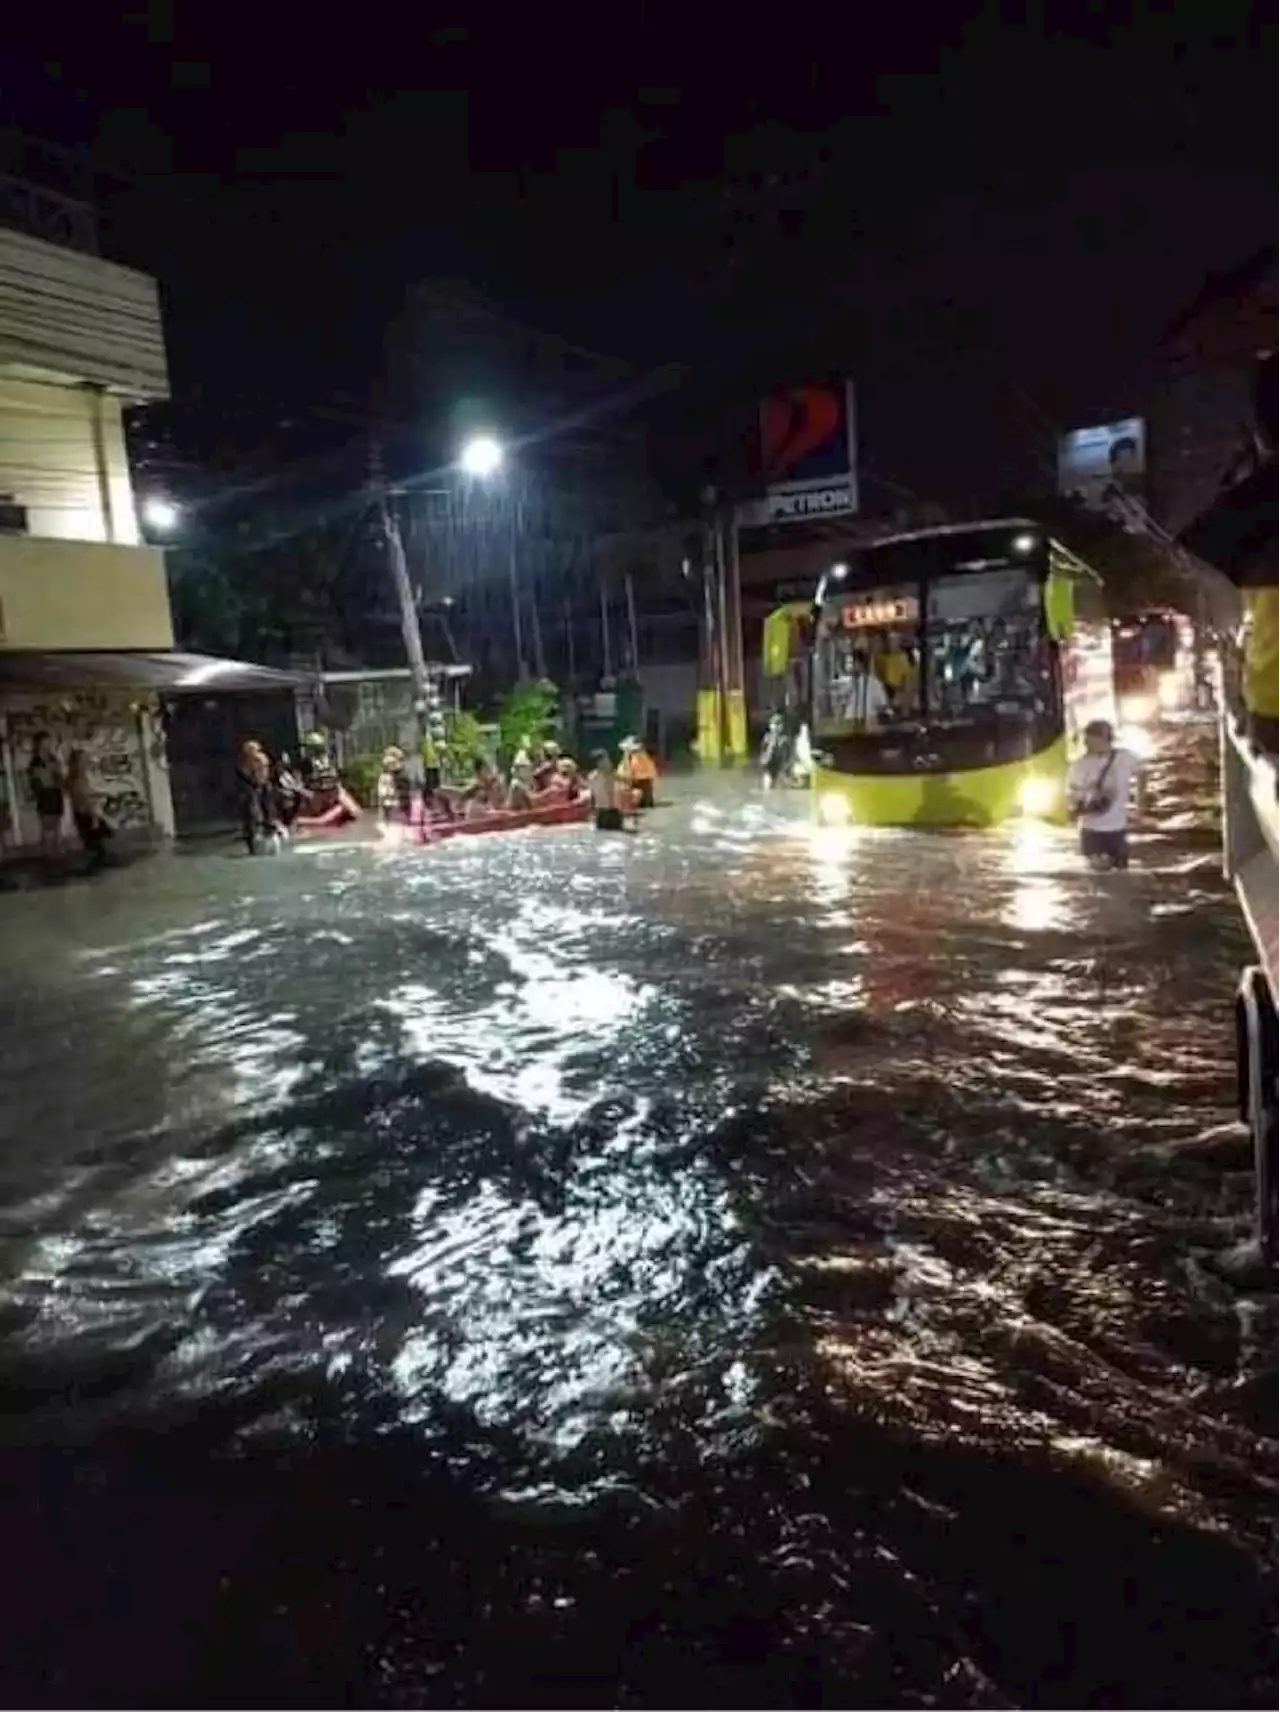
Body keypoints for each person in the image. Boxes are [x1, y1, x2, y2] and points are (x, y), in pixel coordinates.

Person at [1066, 718, 1142, 871]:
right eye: (1085, 739)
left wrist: (1141, 801)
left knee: (1120, 877)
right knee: (1099, 877)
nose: (1086, 743)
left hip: (1118, 831)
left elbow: (1143, 771)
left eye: (1090, 739)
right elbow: (1072, 797)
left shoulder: (1125, 757)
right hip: (1091, 831)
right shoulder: (1079, 765)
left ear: (1103, 739)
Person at [65, 749, 112, 870]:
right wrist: (103, 794)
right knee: (95, 843)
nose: (87, 762)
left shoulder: (78, 777)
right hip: (87, 814)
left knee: (94, 843)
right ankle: (95, 868)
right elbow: (84, 795)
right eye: (84, 760)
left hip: (84, 814)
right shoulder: (78, 778)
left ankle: (96, 866)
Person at [236, 739, 280, 855]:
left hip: (261, 786)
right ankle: (258, 836)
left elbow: (263, 773)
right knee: (253, 811)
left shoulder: (260, 759)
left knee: (265, 810)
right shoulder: (245, 764)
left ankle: (267, 832)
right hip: (254, 787)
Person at [27, 733, 65, 854]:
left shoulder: (53, 758)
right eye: (45, 742)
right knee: (46, 824)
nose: (47, 745)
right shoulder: (36, 761)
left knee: (57, 822)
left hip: (55, 793)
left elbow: (58, 777)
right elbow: (38, 781)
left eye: (49, 742)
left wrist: (55, 776)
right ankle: (46, 851)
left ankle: (56, 848)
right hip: (45, 794)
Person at [588, 750, 628, 832]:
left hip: (611, 811)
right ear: (598, 763)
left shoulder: (610, 775)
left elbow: (626, 781)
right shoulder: (596, 776)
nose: (608, 762)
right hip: (603, 811)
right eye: (605, 760)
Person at [376, 744, 412, 831]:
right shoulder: (400, 773)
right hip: (395, 800)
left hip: (393, 800)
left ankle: (390, 827)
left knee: (389, 816)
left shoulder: (386, 774)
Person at [618, 736, 658, 808]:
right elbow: (622, 775)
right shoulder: (626, 759)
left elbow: (648, 775)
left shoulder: (642, 758)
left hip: (641, 786)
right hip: (630, 785)